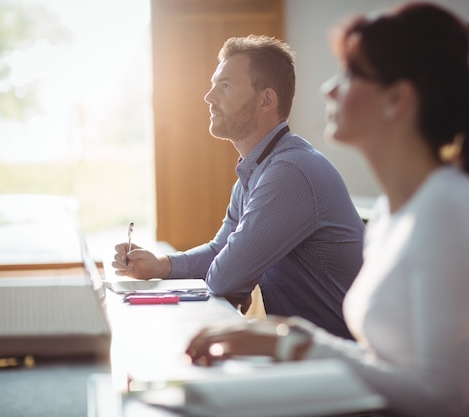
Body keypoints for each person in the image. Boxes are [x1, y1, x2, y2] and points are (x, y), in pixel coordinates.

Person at [184, 3, 469, 417]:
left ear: (397, 98)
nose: (328, 90)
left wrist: (291, 344)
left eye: (350, 75)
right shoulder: (392, 211)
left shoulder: (449, 209)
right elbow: (385, 367)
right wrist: (290, 334)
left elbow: (443, 400)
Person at [113, 35, 365, 340]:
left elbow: (225, 278)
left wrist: (240, 277)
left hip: (337, 363)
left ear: (266, 100)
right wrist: (159, 266)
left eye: (225, 86)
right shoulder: (259, 168)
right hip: (306, 355)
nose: (208, 97)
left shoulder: (289, 172)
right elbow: (221, 251)